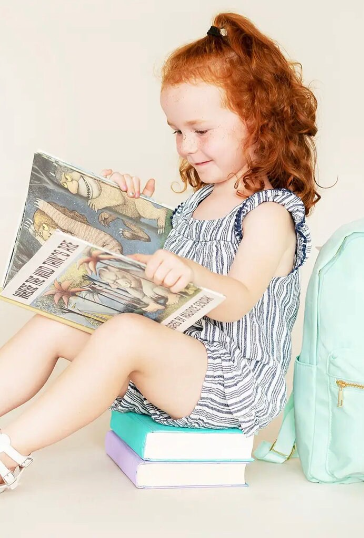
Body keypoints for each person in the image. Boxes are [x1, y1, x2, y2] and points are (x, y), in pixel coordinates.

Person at [0, 12, 320, 492]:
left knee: (126, 334)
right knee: (59, 321)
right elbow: (150, 282)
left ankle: (9, 451)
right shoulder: (195, 205)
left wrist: (187, 268)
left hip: (231, 383)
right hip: (169, 365)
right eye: (176, 131)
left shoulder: (268, 212)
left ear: (259, 121)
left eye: (201, 130)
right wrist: (121, 210)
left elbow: (238, 299)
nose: (186, 146)